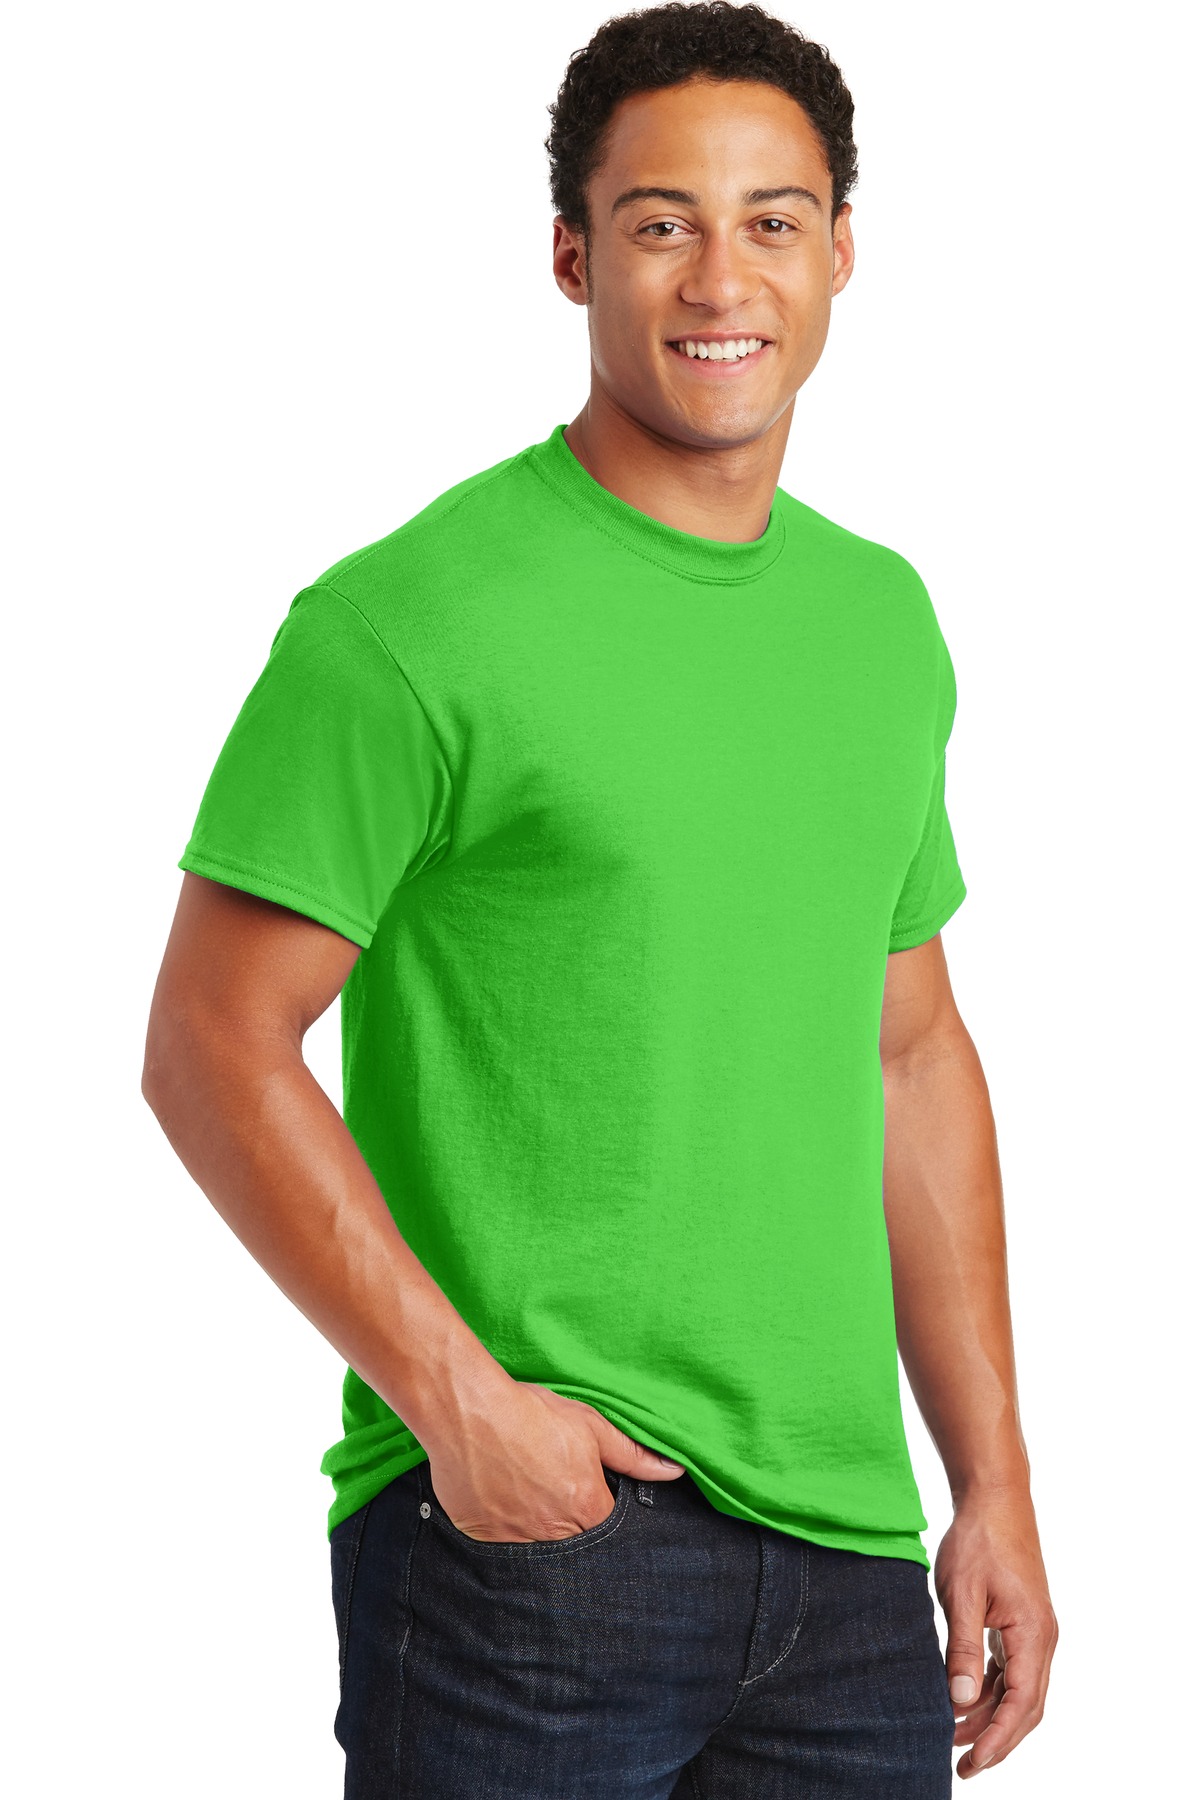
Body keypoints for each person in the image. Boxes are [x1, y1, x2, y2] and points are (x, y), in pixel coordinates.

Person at [142, 3, 1057, 1793]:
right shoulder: (411, 621)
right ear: (572, 257)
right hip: (532, 1551)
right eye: (659, 223)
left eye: (772, 220)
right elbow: (209, 1042)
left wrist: (994, 1485)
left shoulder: (881, 624)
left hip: (851, 1562)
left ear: (842, 252)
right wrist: (459, 1406)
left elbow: (910, 1053)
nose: (721, 277)